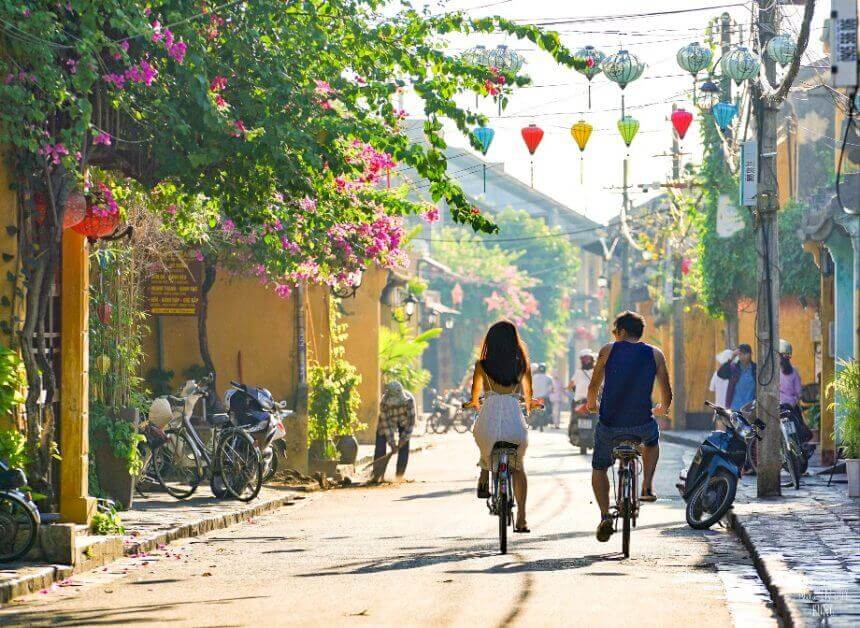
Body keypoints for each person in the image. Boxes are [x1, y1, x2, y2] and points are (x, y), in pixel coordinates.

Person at [587, 311, 672, 542]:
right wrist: (663, 408)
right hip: (641, 423)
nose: (614, 336)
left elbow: (594, 383)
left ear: (622, 331)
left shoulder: (608, 350)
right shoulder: (655, 354)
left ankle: (605, 515)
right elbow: (667, 390)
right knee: (652, 442)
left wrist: (591, 404)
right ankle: (646, 486)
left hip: (610, 424)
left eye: (615, 332)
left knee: (600, 467)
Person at [467, 320, 534, 533]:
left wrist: (472, 403)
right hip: (514, 424)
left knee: (483, 437)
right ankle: (522, 519)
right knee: (518, 467)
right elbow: (529, 397)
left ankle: (484, 474)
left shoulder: (481, 365)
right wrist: (530, 405)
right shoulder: (522, 364)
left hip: (488, 421)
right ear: (514, 340)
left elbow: (475, 397)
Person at [371, 381, 416, 482]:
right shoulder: (384, 403)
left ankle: (399, 476)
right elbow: (386, 426)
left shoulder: (409, 401)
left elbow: (411, 423)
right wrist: (392, 444)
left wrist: (402, 440)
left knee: (404, 447)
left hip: (404, 422)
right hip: (388, 422)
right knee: (380, 447)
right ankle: (377, 475)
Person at [717, 343, 757, 410]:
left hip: (751, 409)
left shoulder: (755, 369)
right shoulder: (734, 369)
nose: (742, 357)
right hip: (735, 408)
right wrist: (732, 357)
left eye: (745, 354)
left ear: (750, 354)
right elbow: (720, 373)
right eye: (740, 354)